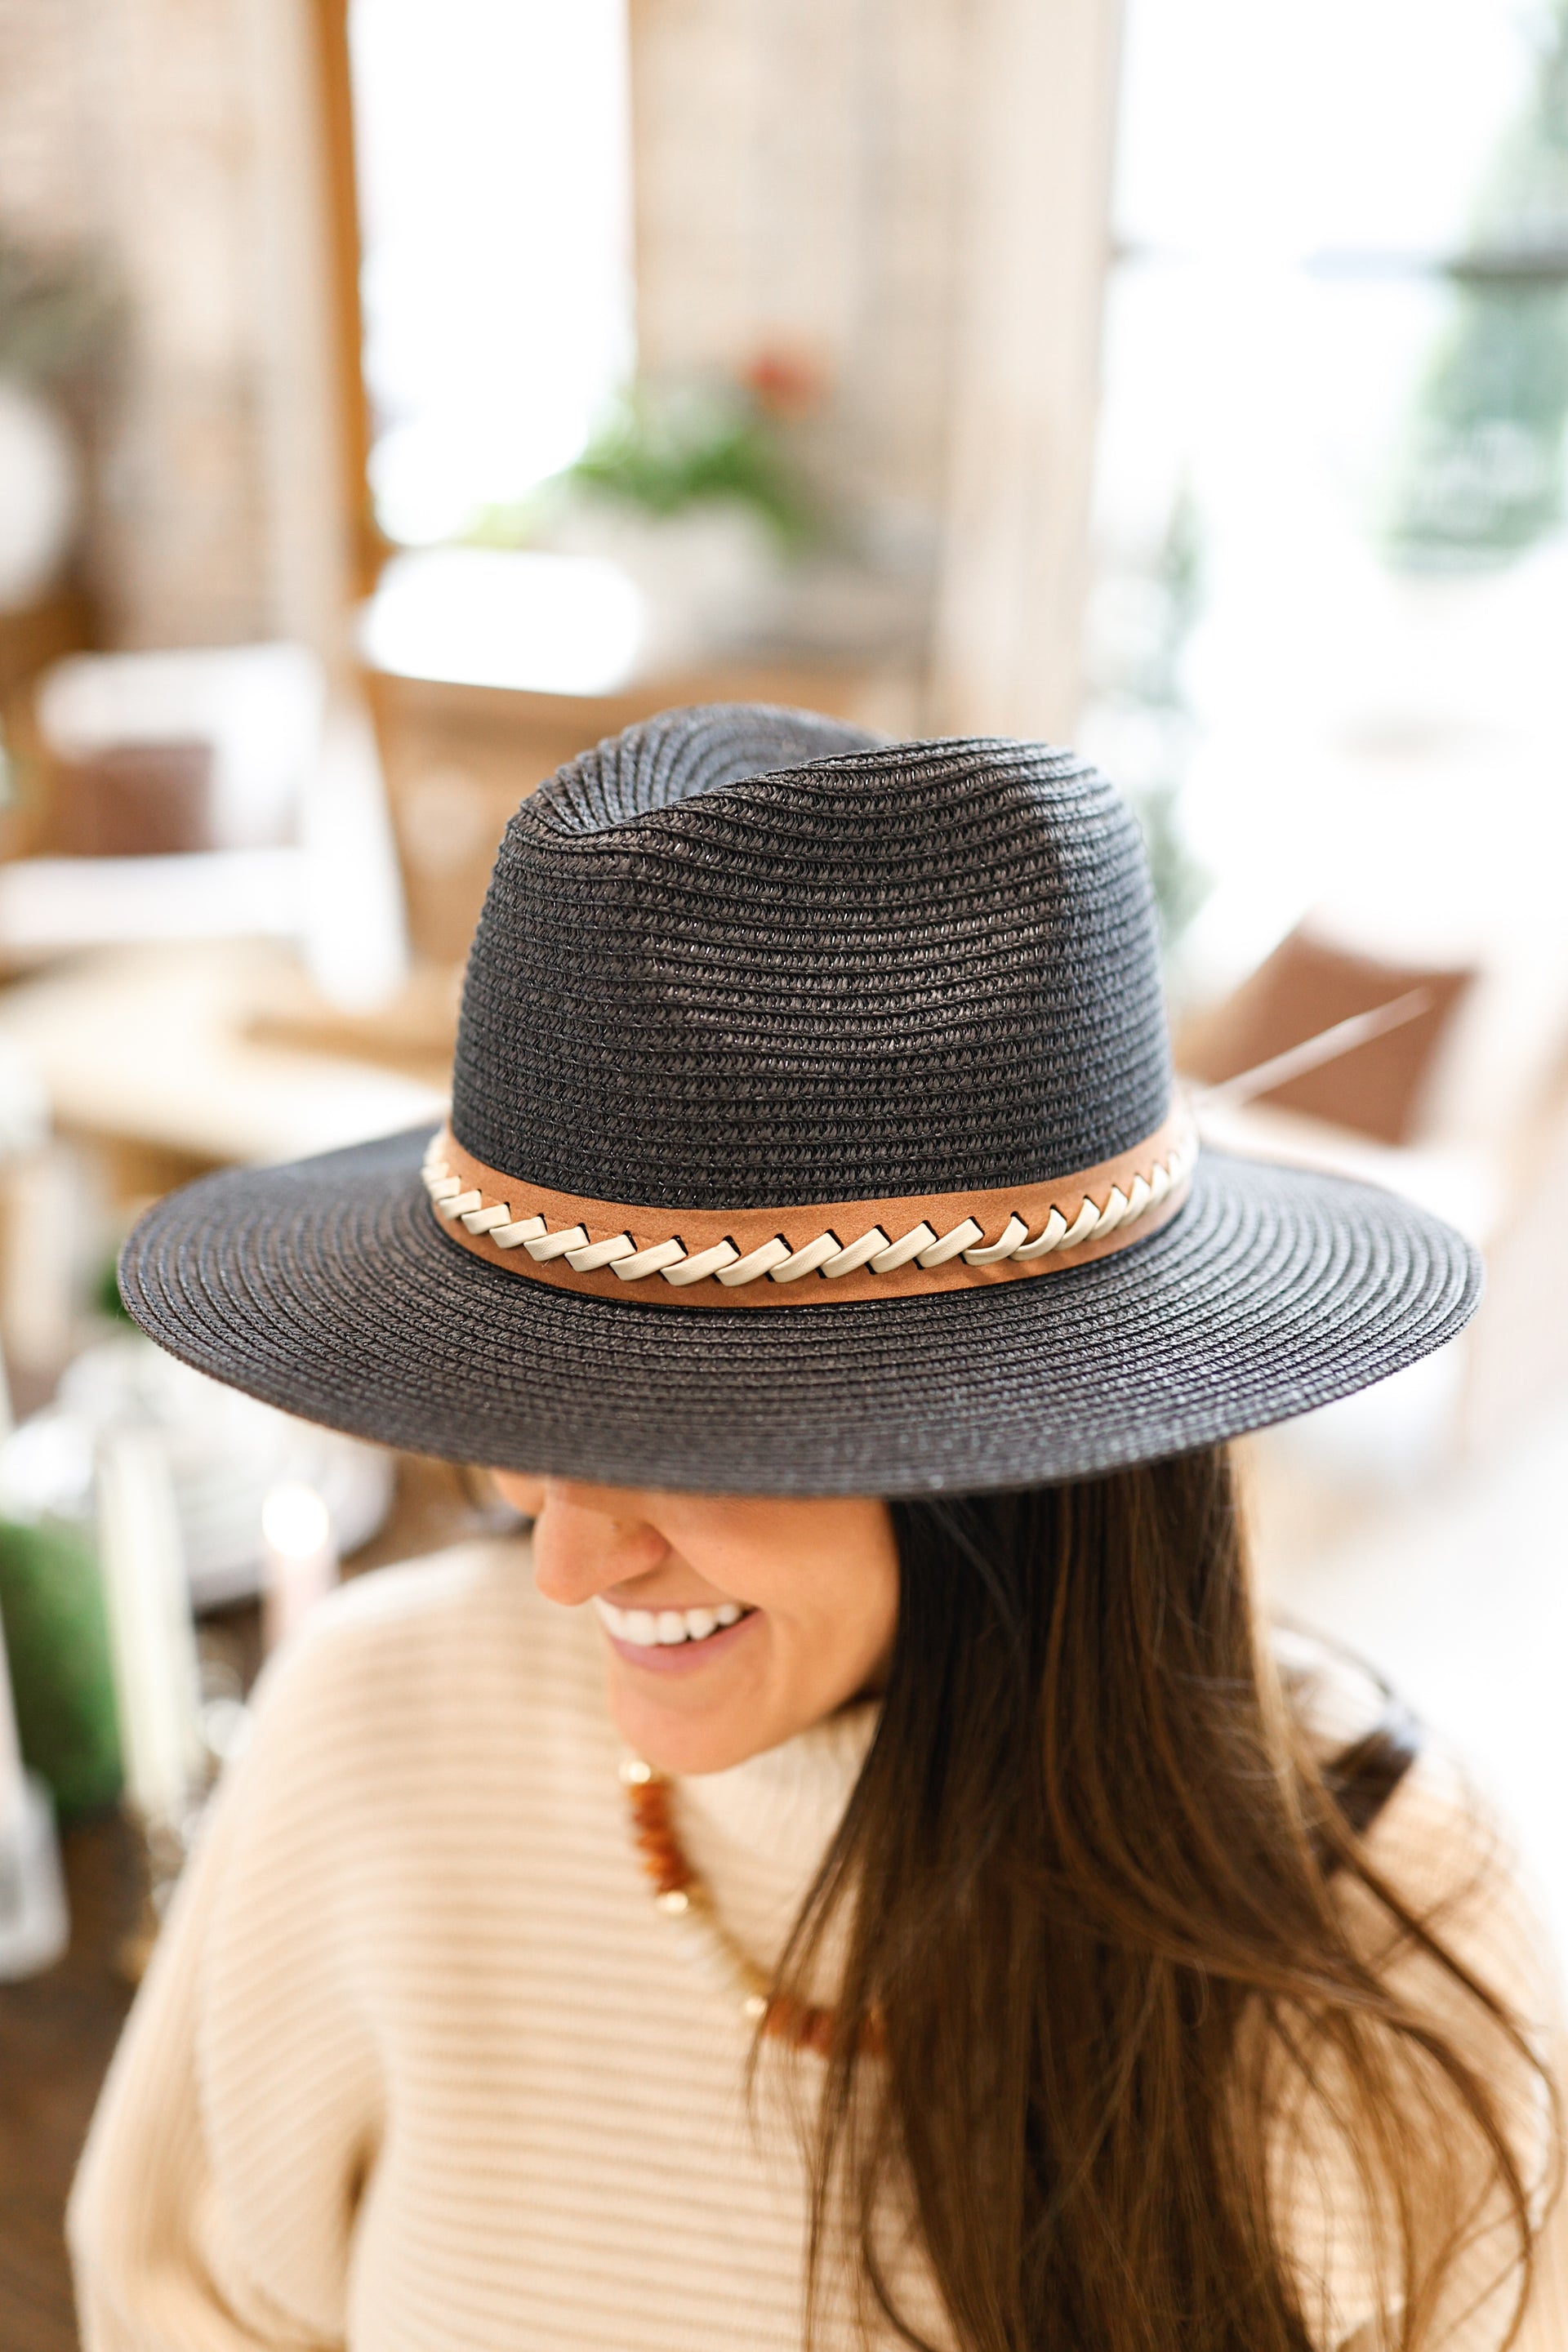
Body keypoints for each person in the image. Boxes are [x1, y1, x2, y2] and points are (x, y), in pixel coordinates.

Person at [70, 708, 1565, 2350]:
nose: (564, 1563)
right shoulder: (375, 1732)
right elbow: (175, 2303)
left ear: (1024, 1464)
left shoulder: (1398, 1933)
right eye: (533, 1421)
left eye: (682, 1442)